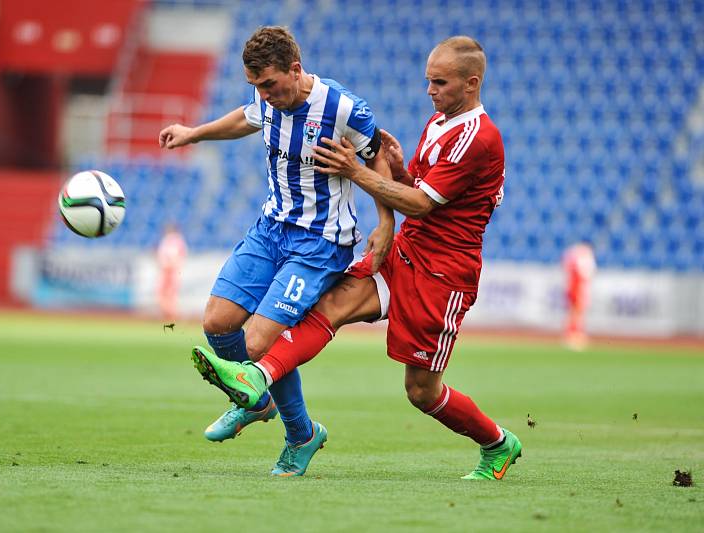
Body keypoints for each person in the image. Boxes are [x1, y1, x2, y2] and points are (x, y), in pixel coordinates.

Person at [191, 36, 524, 480]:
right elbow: (421, 191)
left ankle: (498, 443)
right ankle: (258, 380)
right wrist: (401, 172)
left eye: (439, 82)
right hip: (409, 250)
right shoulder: (441, 123)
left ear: (472, 83)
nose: (430, 90)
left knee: (421, 392)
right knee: (330, 308)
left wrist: (358, 172)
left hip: (442, 274)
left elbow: (422, 204)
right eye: (428, 81)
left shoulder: (479, 137)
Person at [159, 26, 394, 476]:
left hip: (320, 243)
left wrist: (385, 223)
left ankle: (298, 434)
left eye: (269, 84)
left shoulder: (341, 107)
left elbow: (377, 159)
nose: (264, 95)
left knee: (257, 342)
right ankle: (257, 401)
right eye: (256, 86)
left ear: (296, 69)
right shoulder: (268, 102)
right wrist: (194, 133)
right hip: (271, 228)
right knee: (217, 323)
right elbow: (245, 118)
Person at [562, 241, 596, 350]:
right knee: (576, 312)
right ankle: (573, 335)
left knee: (575, 312)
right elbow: (586, 274)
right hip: (578, 287)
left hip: (576, 286)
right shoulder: (583, 256)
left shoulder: (574, 254)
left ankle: (574, 334)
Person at [156, 224, 187, 320]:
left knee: (168, 293)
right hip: (169, 270)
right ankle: (169, 314)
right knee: (167, 293)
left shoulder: (173, 240)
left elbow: (172, 256)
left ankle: (170, 314)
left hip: (171, 270)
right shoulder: (172, 240)